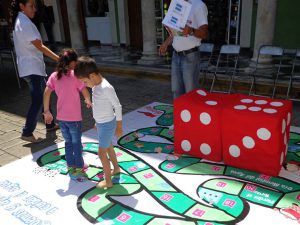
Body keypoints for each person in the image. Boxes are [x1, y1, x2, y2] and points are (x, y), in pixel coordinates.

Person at [10, 0, 59, 143]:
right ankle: (27, 132)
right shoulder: (24, 23)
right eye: (31, 6)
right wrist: (58, 59)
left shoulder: (22, 21)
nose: (35, 9)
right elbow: (40, 46)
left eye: (34, 6)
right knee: (38, 101)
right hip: (32, 69)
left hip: (32, 67)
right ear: (22, 6)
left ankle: (49, 124)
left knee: (46, 93)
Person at [43, 49, 92, 181]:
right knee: (76, 143)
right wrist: (88, 100)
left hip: (61, 119)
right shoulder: (75, 75)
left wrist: (47, 111)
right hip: (74, 119)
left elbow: (46, 93)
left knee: (68, 142)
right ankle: (79, 166)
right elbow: (84, 90)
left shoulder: (54, 76)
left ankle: (71, 166)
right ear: (72, 63)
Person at [74, 56, 122, 188]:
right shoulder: (96, 85)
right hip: (102, 123)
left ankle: (108, 181)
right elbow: (100, 105)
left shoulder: (106, 87)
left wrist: (119, 126)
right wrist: (96, 121)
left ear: (92, 76)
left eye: (84, 81)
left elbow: (117, 106)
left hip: (108, 124)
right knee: (108, 147)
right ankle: (116, 168)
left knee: (101, 153)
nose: (84, 84)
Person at [159, 0, 208, 99]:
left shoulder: (199, 5)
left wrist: (191, 30)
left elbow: (205, 33)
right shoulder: (178, 4)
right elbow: (175, 32)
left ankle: (191, 114)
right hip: (175, 55)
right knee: (176, 92)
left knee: (190, 94)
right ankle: (179, 114)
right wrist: (166, 43)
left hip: (190, 56)